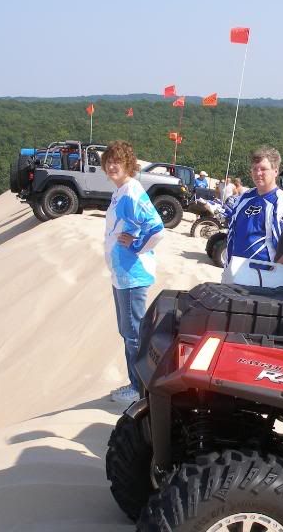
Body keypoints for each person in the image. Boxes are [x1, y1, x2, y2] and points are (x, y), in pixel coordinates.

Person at [102, 141, 165, 404]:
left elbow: (157, 228)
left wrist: (137, 244)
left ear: (128, 164)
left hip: (132, 275)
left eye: (117, 161)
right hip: (122, 274)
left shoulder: (130, 192)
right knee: (128, 332)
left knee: (133, 335)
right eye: (108, 161)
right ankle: (135, 383)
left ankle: (139, 390)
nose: (112, 166)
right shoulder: (121, 192)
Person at [224, 146, 283, 269]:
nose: (258, 173)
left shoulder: (281, 203)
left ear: (275, 171)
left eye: (263, 169)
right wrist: (227, 268)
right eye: (254, 169)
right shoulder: (244, 197)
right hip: (235, 272)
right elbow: (231, 235)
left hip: (262, 275)